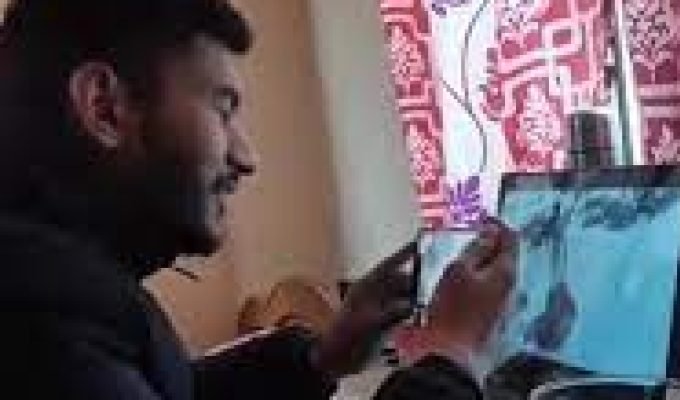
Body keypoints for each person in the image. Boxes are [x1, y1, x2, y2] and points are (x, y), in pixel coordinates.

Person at [0, 0, 516, 399]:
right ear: (104, 107)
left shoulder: (60, 283)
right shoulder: (42, 312)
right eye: (222, 110)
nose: (247, 157)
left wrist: (322, 356)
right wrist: (448, 353)